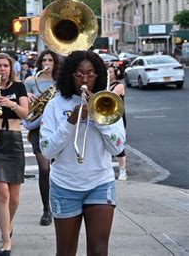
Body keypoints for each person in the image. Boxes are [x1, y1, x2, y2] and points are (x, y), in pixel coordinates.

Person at [40, 50, 125, 255]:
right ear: (70, 75)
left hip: (100, 182)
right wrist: (70, 122)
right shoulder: (56, 104)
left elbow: (118, 147)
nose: (85, 79)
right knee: (66, 251)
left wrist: (98, 117)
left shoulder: (108, 103)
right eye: (79, 74)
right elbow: (47, 150)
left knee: (98, 250)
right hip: (65, 185)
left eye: (91, 74)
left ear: (99, 76)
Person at [0, 53, 29, 255]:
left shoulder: (19, 88)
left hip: (15, 140)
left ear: (11, 69)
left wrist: (11, 105)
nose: (2, 69)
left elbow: (26, 114)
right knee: (3, 195)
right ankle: (6, 239)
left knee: (15, 198)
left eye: (6, 66)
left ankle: (7, 225)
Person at [23, 49, 59, 226]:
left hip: (58, 127)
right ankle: (46, 208)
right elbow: (25, 106)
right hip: (38, 128)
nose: (47, 63)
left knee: (58, 170)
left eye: (50, 60)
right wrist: (27, 96)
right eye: (44, 60)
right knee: (44, 170)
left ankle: (59, 204)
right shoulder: (31, 81)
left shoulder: (60, 81)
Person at [108, 62, 128, 181]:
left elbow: (110, 96)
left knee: (118, 143)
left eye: (110, 72)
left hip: (117, 118)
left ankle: (123, 171)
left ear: (116, 73)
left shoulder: (119, 86)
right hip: (106, 117)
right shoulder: (105, 84)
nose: (108, 74)